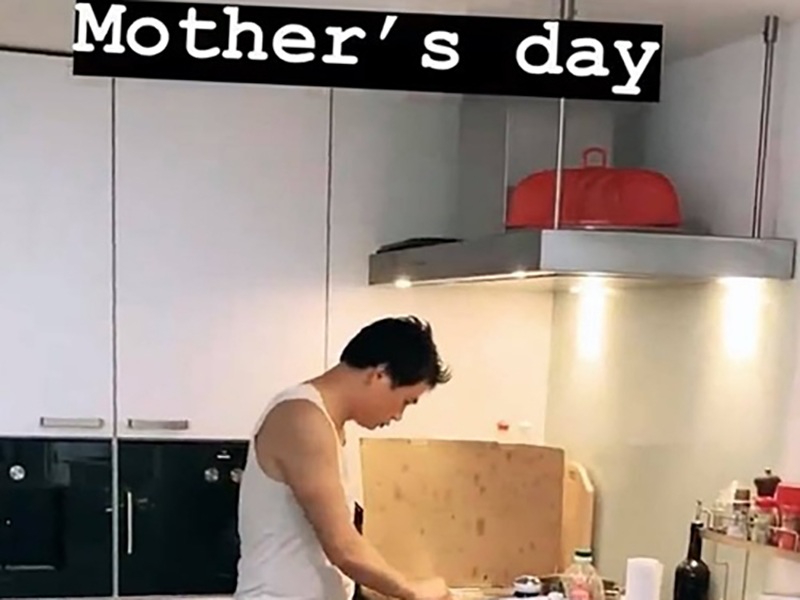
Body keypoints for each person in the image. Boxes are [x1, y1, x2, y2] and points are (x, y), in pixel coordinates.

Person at [234, 316, 453, 600]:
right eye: (406, 401)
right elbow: (344, 548)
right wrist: (411, 590)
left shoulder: (325, 423)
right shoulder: (302, 419)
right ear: (380, 375)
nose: (398, 415)